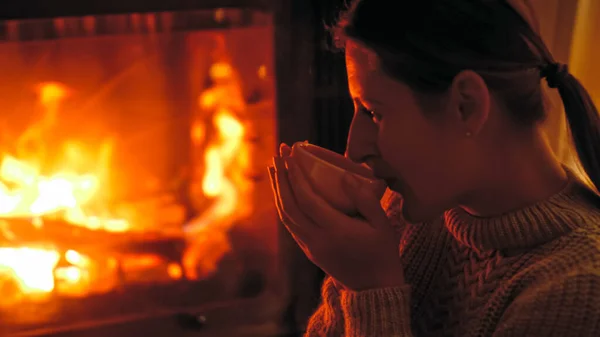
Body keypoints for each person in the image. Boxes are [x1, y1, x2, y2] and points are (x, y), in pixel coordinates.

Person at [270, 0, 600, 336]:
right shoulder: (409, 212)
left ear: (466, 106)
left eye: (373, 113)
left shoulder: (577, 292)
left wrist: (371, 291)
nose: (354, 150)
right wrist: (347, 274)